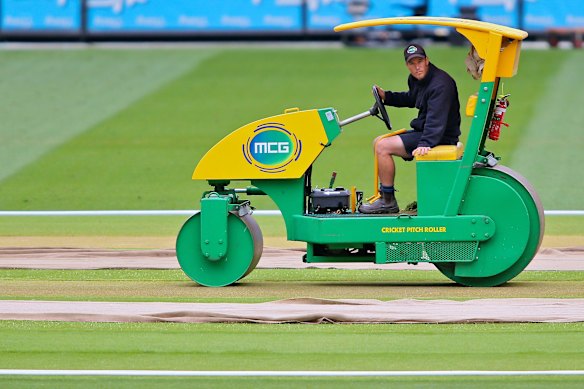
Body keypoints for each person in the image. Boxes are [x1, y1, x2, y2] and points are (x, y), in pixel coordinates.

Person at [359, 43, 461, 214]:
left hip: (440, 136)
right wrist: (387, 97)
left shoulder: (441, 84)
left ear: (427, 60)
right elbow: (412, 98)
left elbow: (437, 120)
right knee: (378, 141)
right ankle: (384, 195)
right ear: (407, 65)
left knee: (382, 147)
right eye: (412, 63)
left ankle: (388, 201)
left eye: (420, 61)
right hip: (427, 131)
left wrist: (426, 143)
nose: (417, 67)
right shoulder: (416, 79)